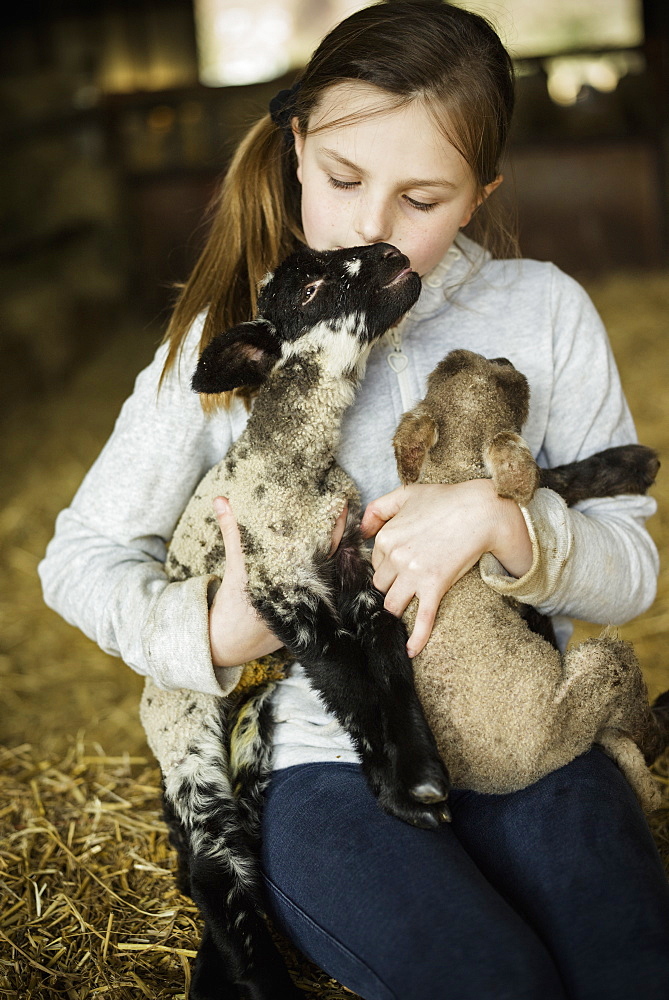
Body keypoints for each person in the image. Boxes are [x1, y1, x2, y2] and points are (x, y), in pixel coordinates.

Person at [39, 2, 669, 998]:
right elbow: (78, 556)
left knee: (632, 963)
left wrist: (509, 526)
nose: (370, 226)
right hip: (326, 765)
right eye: (342, 179)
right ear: (295, 146)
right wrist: (214, 629)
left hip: (521, 726)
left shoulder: (544, 310)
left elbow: (631, 562)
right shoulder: (230, 341)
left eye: (422, 198)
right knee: (493, 983)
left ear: (479, 196)